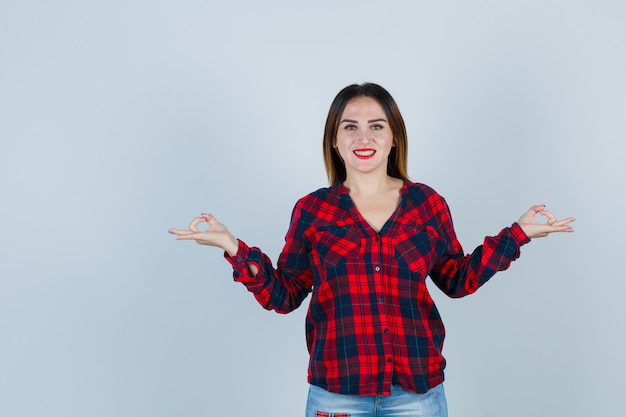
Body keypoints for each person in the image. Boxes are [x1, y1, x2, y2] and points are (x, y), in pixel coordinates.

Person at [168, 83, 574, 417]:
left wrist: (517, 234)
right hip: (337, 395)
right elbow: (285, 294)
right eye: (350, 127)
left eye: (376, 126)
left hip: (417, 394)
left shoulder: (427, 203)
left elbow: (457, 279)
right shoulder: (313, 210)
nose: (364, 137)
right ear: (335, 139)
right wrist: (232, 247)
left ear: (394, 137)